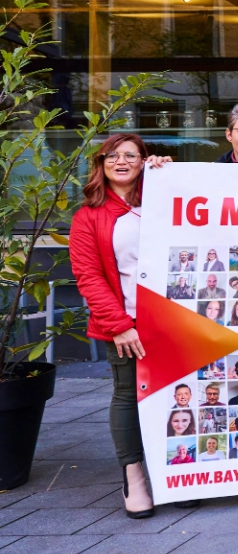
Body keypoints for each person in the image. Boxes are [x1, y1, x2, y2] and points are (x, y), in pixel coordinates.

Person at [69, 133, 170, 519]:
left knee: (177, 393)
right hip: (127, 323)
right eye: (113, 155)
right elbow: (88, 276)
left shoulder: (163, 200)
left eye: (132, 155)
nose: (122, 161)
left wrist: (171, 175)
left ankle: (179, 474)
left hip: (174, 321)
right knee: (129, 394)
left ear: (145, 161)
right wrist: (119, 325)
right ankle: (135, 476)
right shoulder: (89, 216)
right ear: (101, 163)